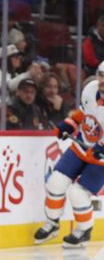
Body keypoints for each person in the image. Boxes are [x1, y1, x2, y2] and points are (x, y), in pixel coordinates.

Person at [34, 61, 104, 248]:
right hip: (81, 148)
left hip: (101, 161)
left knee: (78, 193)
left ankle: (84, 231)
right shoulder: (90, 89)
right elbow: (84, 112)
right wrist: (70, 124)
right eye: (101, 75)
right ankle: (52, 223)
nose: (103, 80)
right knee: (55, 182)